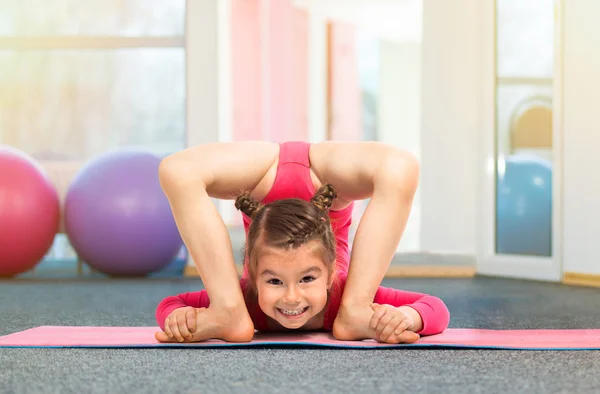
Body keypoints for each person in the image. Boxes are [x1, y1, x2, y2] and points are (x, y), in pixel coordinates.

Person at [154, 140, 449, 343]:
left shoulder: (340, 291)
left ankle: (356, 311)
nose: (292, 298)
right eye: (275, 283)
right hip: (297, 177)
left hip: (306, 178)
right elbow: (171, 304)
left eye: (307, 279)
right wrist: (181, 315)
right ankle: (226, 312)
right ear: (255, 278)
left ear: (330, 275)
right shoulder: (245, 299)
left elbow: (437, 309)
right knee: (175, 170)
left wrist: (405, 317)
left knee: (402, 166)